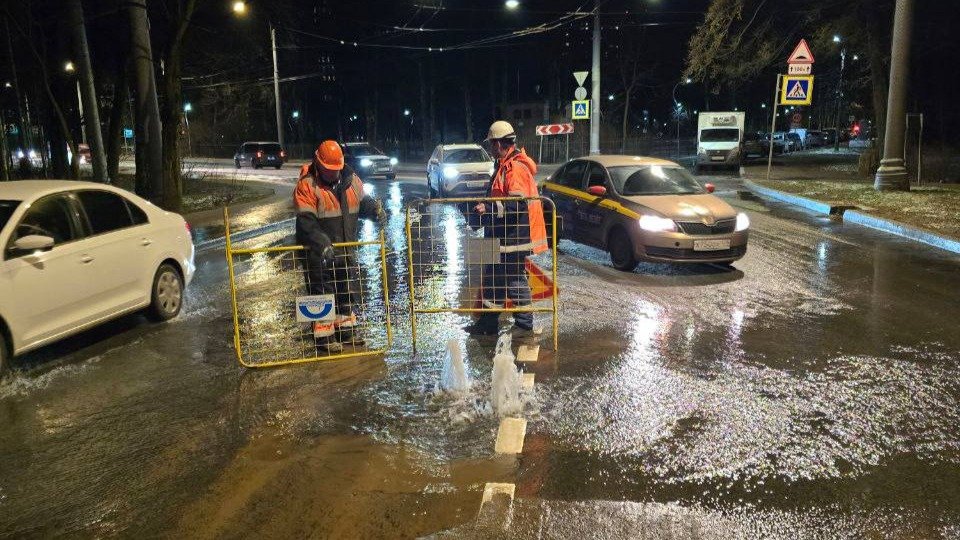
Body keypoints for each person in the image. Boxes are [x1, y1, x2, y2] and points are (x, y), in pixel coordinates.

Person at [294, 140, 386, 353]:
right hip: (318, 254)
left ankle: (346, 331)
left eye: (336, 169)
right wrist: (323, 244)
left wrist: (375, 211)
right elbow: (306, 222)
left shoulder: (352, 181)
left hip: (345, 250)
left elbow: (363, 203)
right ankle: (324, 339)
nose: (333, 174)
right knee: (322, 295)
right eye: (328, 170)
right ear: (319, 163)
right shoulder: (307, 185)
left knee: (345, 293)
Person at [466, 121, 547, 338]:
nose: (491, 148)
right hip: (499, 233)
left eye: (492, 144)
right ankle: (488, 323)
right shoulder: (502, 165)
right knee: (492, 277)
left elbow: (516, 205)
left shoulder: (516, 168)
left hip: (513, 236)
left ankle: (524, 324)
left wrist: (488, 206)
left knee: (513, 278)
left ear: (501, 143)